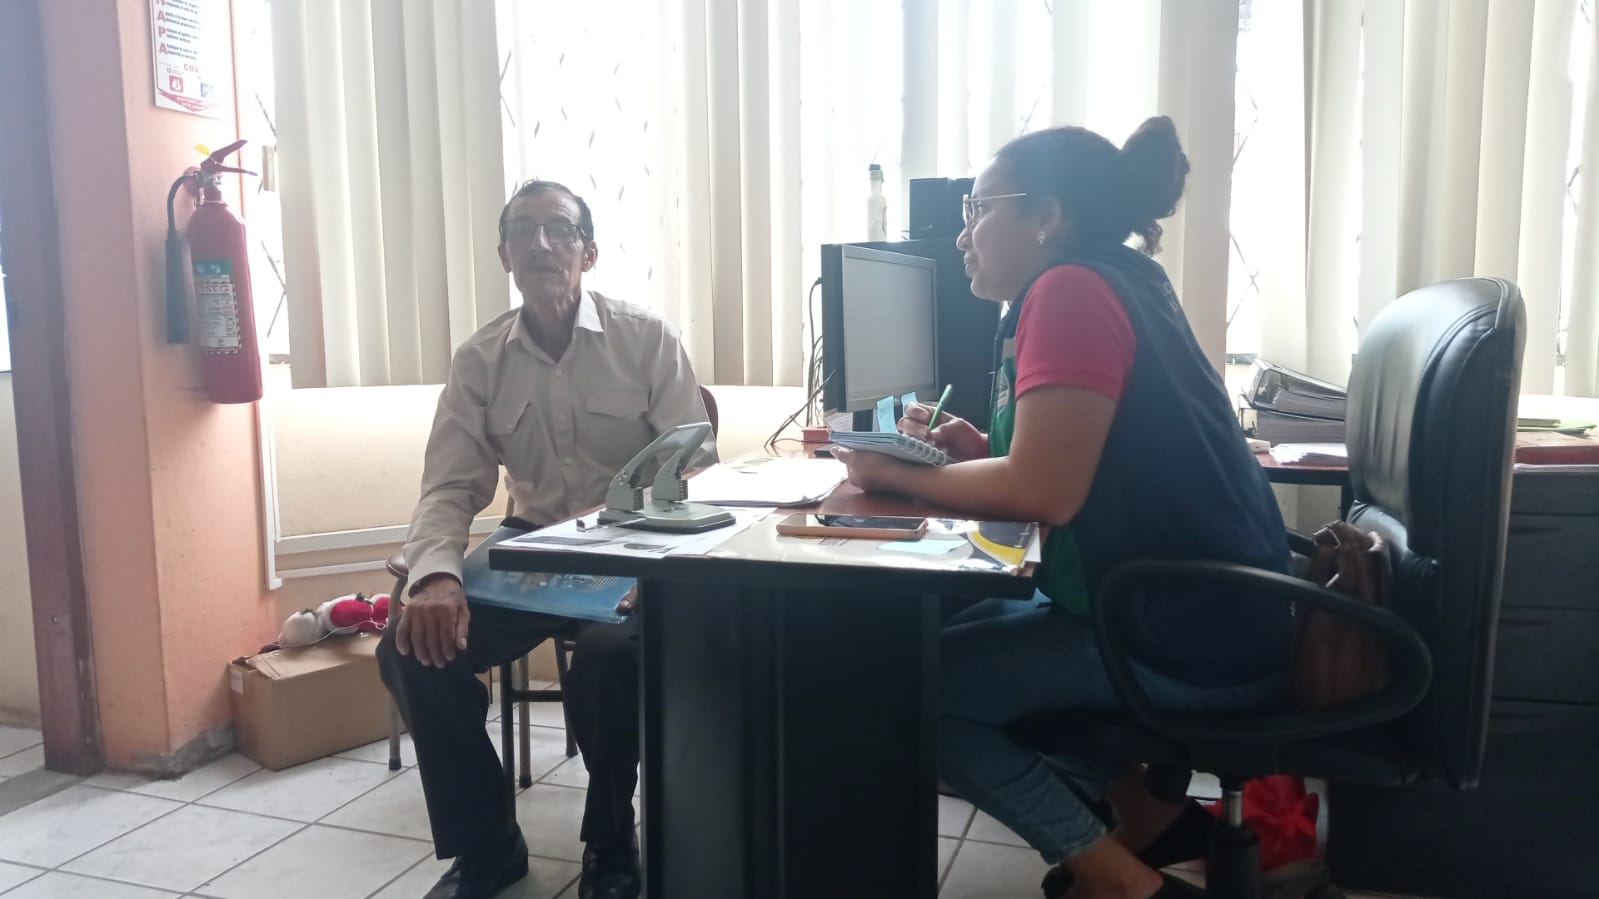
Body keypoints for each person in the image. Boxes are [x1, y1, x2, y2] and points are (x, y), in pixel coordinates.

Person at [832, 117, 1292, 899]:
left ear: (1046, 215)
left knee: (917, 692)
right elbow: (1072, 458)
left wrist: (898, 473)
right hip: (1213, 613)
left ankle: (1126, 885)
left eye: (979, 209)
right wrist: (973, 448)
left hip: (1182, 637)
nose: (961, 235)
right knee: (946, 639)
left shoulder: (1069, 290)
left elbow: (1045, 491)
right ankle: (1152, 820)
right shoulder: (1119, 277)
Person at [376, 180, 714, 899]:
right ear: (504, 255)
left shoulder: (644, 338)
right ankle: (487, 845)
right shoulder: (479, 359)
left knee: (606, 658)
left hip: (631, 546)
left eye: (558, 230)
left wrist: (644, 548)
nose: (540, 243)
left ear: (587, 252)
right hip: (532, 543)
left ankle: (611, 841)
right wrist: (435, 576)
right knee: (409, 646)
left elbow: (695, 467)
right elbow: (449, 486)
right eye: (522, 231)